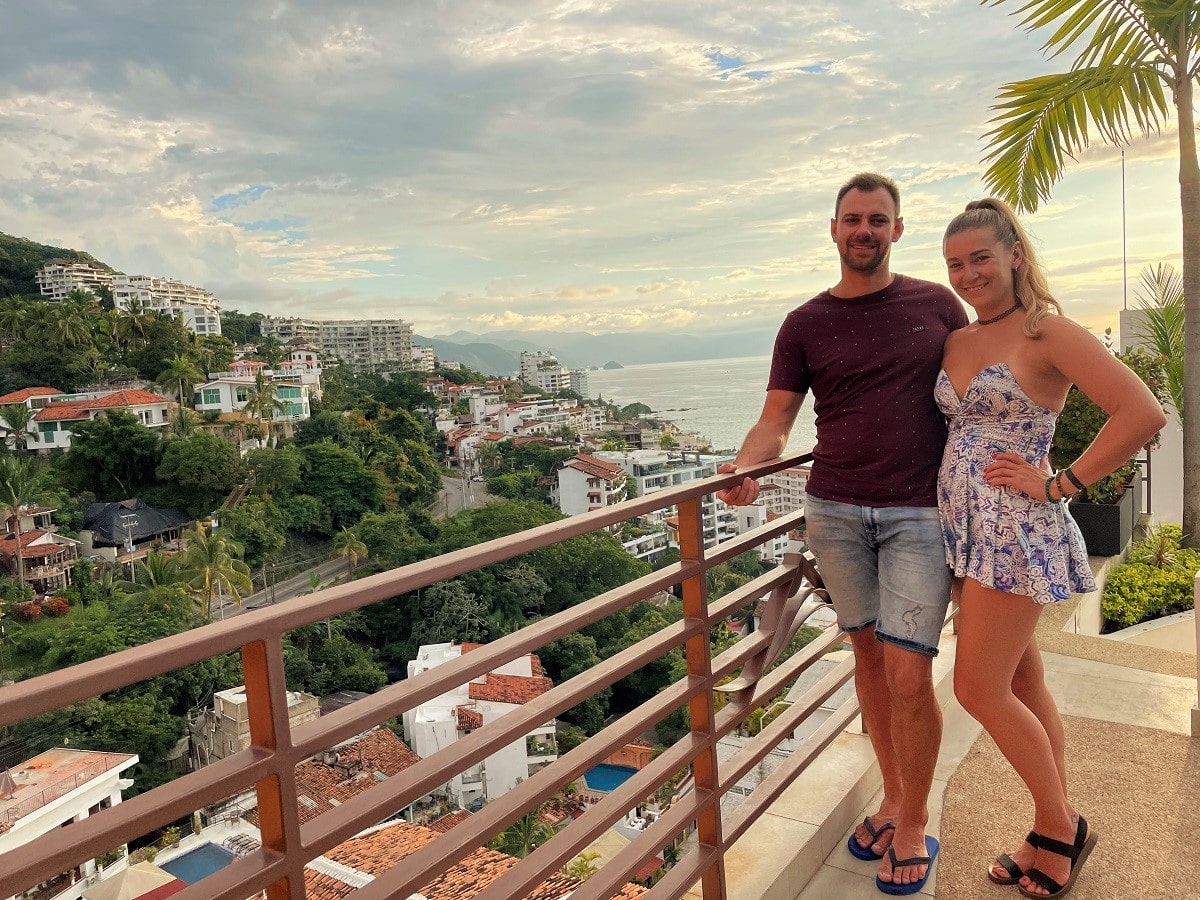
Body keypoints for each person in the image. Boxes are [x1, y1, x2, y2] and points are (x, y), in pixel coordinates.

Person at [718, 172, 968, 894]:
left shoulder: (936, 304)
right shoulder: (804, 323)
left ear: (897, 229)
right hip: (834, 511)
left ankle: (914, 820)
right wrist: (746, 467)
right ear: (833, 229)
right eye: (853, 219)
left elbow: (980, 389)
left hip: (920, 513)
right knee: (867, 657)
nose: (865, 230)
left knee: (909, 672)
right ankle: (891, 795)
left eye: (877, 219)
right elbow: (777, 421)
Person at [937, 199, 1166, 898]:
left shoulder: (1048, 331)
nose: (968, 274)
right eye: (955, 264)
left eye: (981, 257)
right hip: (965, 530)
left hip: (1013, 530)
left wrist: (1060, 482)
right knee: (1022, 684)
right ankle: (1049, 828)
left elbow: (1143, 412)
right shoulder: (957, 339)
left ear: (1014, 254)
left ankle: (1062, 827)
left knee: (977, 688)